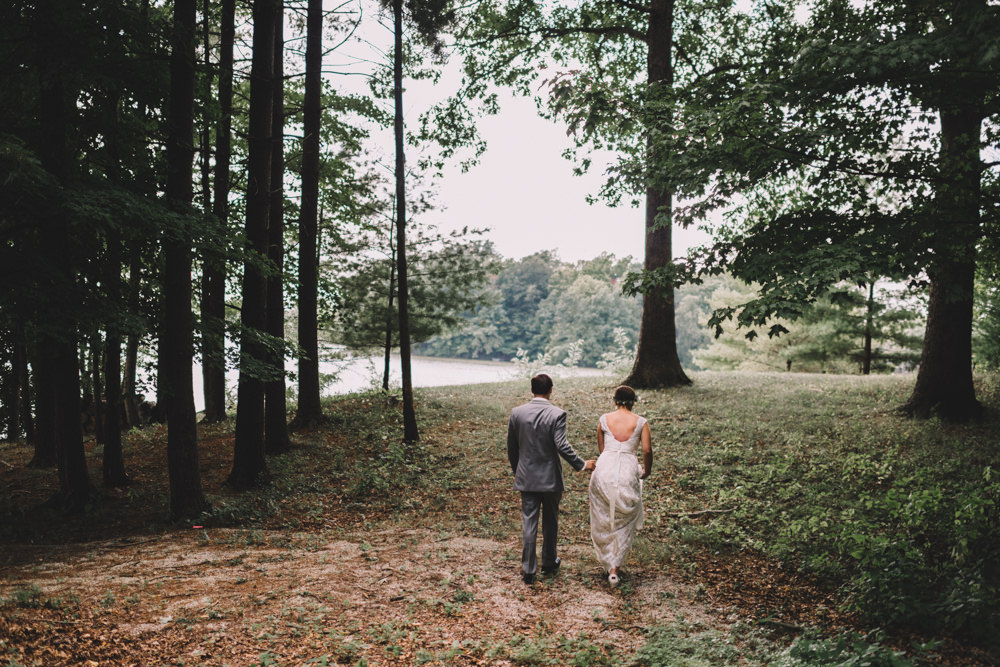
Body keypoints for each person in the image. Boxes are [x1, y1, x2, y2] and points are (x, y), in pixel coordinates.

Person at [507, 373, 596, 585]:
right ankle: (548, 561)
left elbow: (512, 447)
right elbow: (561, 445)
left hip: (527, 476)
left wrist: (518, 470)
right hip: (550, 478)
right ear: (550, 390)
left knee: (529, 521)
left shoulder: (517, 413)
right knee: (550, 521)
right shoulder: (557, 414)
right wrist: (582, 464)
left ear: (532, 390)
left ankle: (529, 569)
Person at [588, 385, 652, 587]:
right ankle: (614, 567)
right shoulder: (641, 422)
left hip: (604, 470)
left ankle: (609, 560)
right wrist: (647, 470)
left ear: (615, 401)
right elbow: (647, 450)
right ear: (633, 402)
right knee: (625, 519)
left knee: (604, 515)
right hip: (627, 470)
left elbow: (602, 450)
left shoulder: (604, 420)